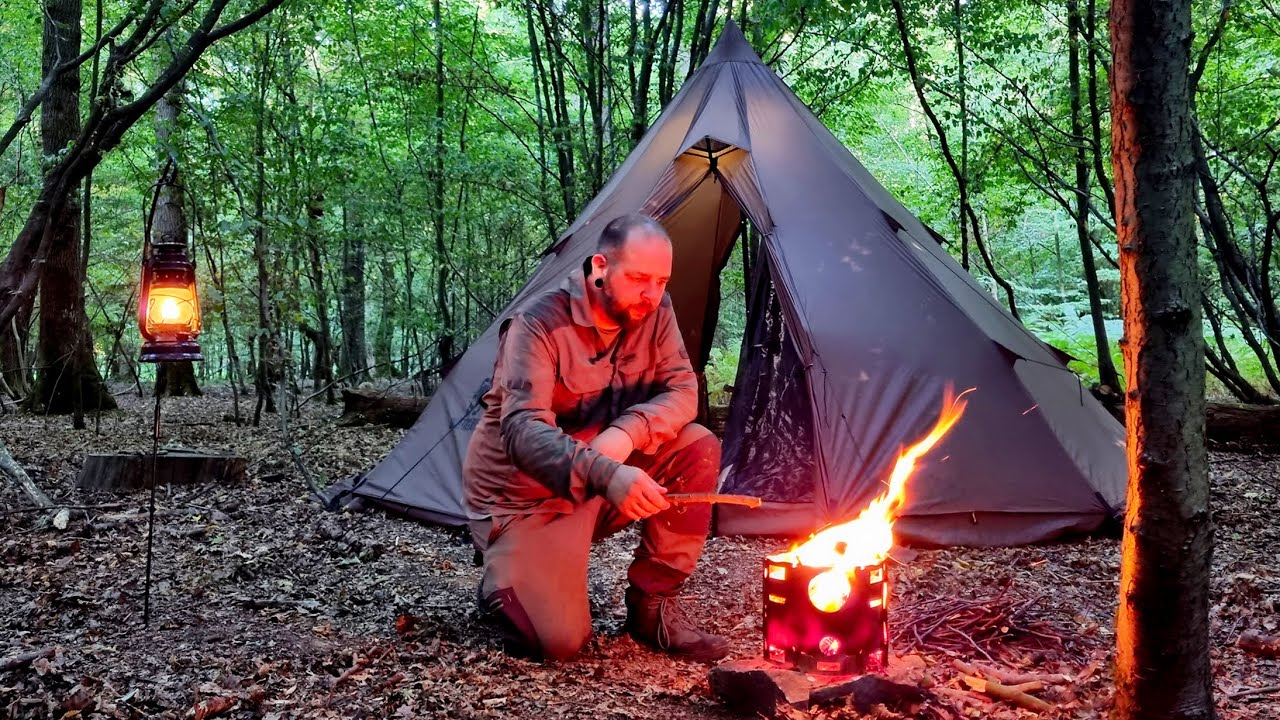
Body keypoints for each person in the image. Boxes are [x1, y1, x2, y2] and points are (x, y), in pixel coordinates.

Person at [463, 213, 729, 663]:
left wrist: (626, 435)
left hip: (601, 479)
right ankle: (505, 575)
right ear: (601, 267)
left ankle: (652, 607)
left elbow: (683, 389)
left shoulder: (653, 310)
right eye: (639, 278)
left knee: (697, 445)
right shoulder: (537, 324)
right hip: (529, 500)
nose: (652, 293)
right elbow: (522, 432)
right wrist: (605, 472)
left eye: (662, 280)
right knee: (559, 644)